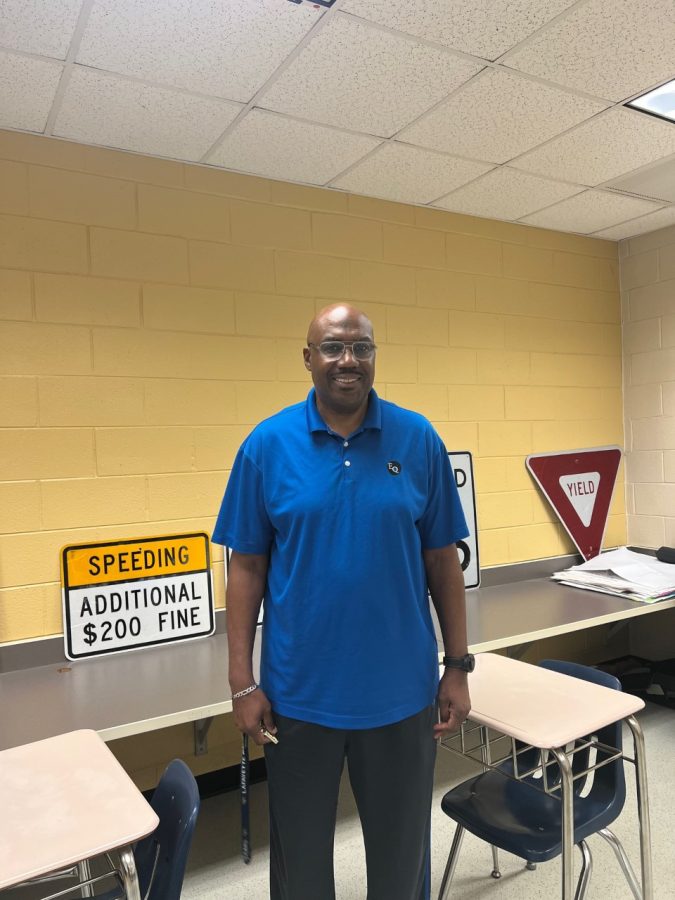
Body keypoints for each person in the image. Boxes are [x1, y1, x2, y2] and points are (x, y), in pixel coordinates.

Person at [212, 303, 471, 900]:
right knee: (300, 863)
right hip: (299, 696)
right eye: (332, 347)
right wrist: (241, 683)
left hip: (402, 693)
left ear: (375, 356)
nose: (348, 360)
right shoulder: (266, 446)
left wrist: (457, 667)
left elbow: (442, 562)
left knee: (401, 858)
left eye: (362, 347)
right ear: (308, 358)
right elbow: (246, 568)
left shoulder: (419, 439)